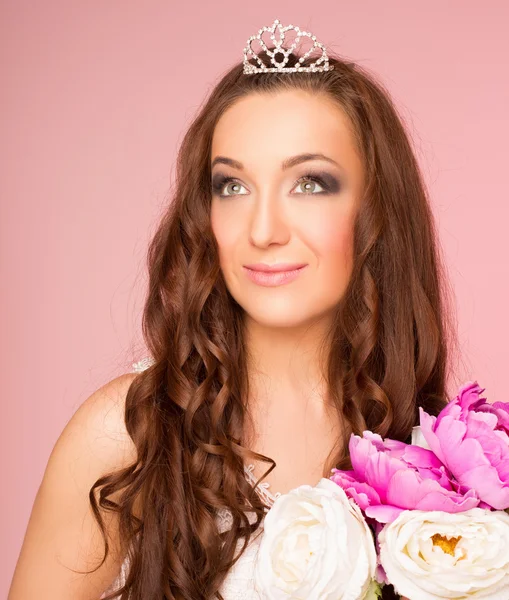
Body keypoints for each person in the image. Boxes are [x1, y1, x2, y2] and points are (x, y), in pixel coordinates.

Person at [9, 18, 458, 600]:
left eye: (310, 183)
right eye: (233, 187)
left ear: (375, 211)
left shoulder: (442, 456)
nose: (264, 229)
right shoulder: (125, 437)